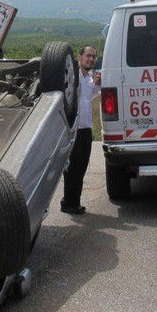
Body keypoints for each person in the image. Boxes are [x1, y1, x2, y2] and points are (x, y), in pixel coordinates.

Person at [61, 45, 101, 215]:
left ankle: (72, 202)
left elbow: (89, 96)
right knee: (73, 169)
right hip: (73, 129)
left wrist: (97, 85)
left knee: (82, 167)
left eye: (93, 57)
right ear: (80, 57)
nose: (90, 59)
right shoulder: (72, 77)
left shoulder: (90, 78)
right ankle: (69, 204)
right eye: (88, 56)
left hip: (86, 129)